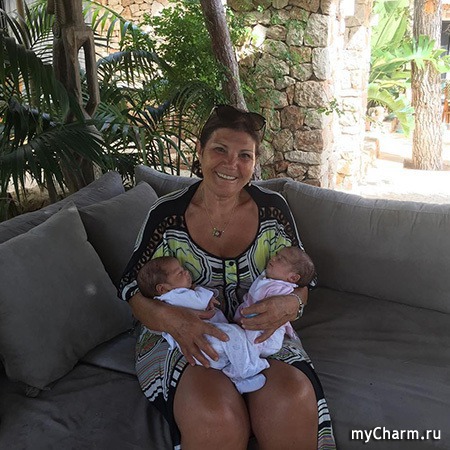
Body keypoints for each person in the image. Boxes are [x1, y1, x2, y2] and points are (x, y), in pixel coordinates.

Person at [119, 104, 335, 450]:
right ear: (200, 151)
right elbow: (130, 288)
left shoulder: (273, 210)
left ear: (254, 162)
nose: (231, 164)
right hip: (179, 333)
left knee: (290, 399)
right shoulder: (166, 215)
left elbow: (302, 282)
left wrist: (290, 305)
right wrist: (173, 321)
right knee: (215, 414)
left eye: (244, 155)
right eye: (220, 149)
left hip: (261, 333)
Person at [137, 256, 270, 394]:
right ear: (162, 288)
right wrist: (202, 292)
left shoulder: (163, 301)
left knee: (232, 344)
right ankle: (247, 371)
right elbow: (200, 302)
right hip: (204, 338)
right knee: (233, 333)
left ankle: (236, 374)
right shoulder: (174, 296)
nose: (186, 272)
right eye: (180, 273)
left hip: (200, 348)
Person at [234, 246, 316, 358]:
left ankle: (252, 358)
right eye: (276, 255)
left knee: (251, 342)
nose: (273, 258)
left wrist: (294, 301)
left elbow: (269, 312)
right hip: (243, 323)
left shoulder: (281, 289)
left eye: (280, 259)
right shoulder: (269, 278)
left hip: (266, 332)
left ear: (293, 278)